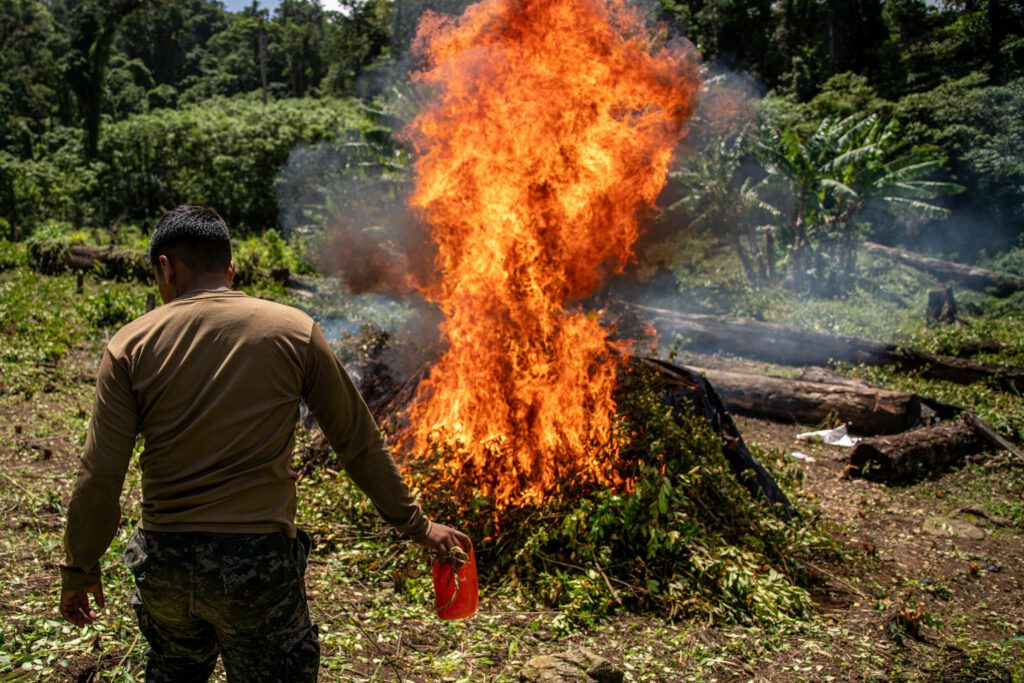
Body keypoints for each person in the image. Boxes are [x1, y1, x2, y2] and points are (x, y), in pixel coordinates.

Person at [58, 205, 469, 682]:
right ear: (231, 268)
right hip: (257, 569)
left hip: (165, 564)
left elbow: (99, 476)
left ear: (166, 268)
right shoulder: (293, 330)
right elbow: (357, 442)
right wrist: (417, 527)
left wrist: (80, 567)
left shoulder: (129, 344)